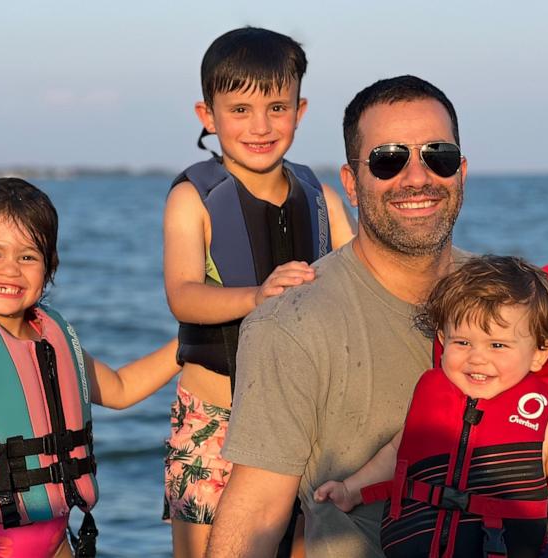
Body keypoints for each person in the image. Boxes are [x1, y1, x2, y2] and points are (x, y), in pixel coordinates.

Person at [204, 75, 548, 557]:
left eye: (439, 156)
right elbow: (258, 511)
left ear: (462, 172)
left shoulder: (520, 304)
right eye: (388, 160)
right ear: (351, 183)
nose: (417, 178)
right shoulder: (291, 322)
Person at [0, 177, 180, 558]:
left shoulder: (52, 342)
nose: (10, 270)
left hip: (55, 543)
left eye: (28, 256)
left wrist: (187, 344)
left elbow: (119, 388)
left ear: (50, 267)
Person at [162, 26, 355, 558]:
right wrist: (256, 297)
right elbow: (182, 293)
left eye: (277, 107)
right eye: (240, 109)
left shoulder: (321, 197)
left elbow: (360, 275)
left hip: (305, 417)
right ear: (208, 115)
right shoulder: (193, 197)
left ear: (300, 108)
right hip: (214, 417)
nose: (261, 125)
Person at [313, 255, 548, 558]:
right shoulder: (432, 410)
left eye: (498, 345)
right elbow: (393, 455)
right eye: (463, 342)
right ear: (443, 337)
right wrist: (350, 490)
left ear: (538, 354)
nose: (477, 358)